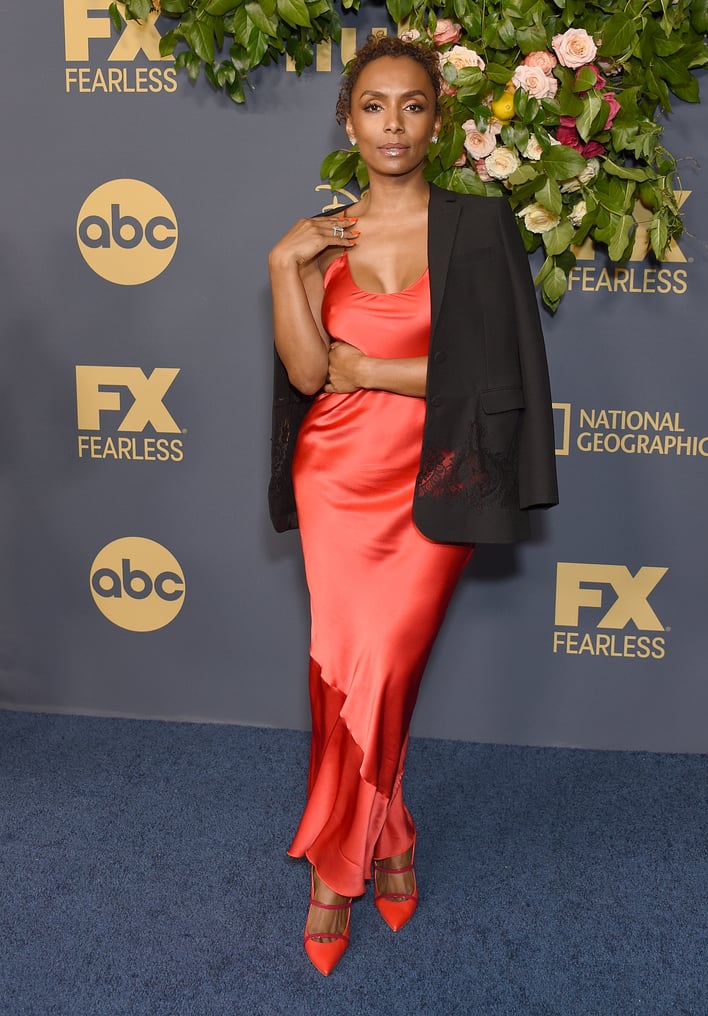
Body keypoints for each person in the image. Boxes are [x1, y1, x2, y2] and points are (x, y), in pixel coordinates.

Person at [268, 34, 558, 975]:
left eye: (413, 106)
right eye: (374, 107)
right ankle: (360, 852)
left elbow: (501, 374)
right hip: (337, 477)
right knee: (345, 672)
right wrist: (285, 266)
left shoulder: (480, 227)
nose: (393, 124)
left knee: (385, 667)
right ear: (346, 121)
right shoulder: (320, 240)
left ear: (438, 120)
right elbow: (313, 376)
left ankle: (348, 847)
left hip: (437, 475)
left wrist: (377, 369)